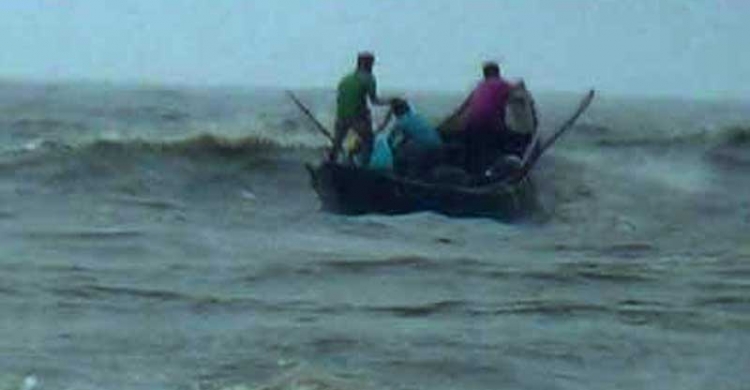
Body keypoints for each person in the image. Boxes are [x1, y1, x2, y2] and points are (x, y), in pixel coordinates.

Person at [442, 61, 515, 174]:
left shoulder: (480, 86)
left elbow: (463, 107)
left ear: (484, 74)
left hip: (472, 124)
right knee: (505, 143)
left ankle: (470, 172)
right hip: (491, 125)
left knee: (473, 150)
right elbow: (517, 92)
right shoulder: (502, 84)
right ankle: (494, 171)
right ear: (498, 73)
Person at [329, 52, 391, 166]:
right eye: (371, 64)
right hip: (357, 117)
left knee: (337, 142)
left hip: (341, 116)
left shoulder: (345, 79)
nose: (372, 66)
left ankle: (331, 161)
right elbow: (374, 101)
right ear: (366, 64)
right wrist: (390, 102)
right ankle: (364, 167)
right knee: (368, 141)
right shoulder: (369, 78)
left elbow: (339, 100)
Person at [373, 98, 443, 178]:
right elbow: (412, 136)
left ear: (397, 112)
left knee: (400, 157)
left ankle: (407, 178)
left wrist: (388, 151)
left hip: (424, 148)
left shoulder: (401, 122)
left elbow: (390, 140)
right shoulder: (418, 117)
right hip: (438, 145)